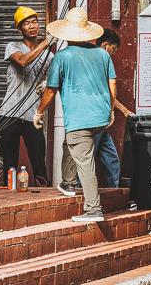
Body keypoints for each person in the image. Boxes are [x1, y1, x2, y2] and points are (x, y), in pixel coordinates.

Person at [34, 8, 115, 223]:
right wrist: (111, 110)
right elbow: (112, 83)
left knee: (85, 160)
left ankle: (93, 209)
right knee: (76, 147)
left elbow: (50, 90)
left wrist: (39, 112)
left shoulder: (62, 57)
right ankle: (68, 182)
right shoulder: (102, 54)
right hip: (101, 116)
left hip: (79, 118)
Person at [58, 27, 134, 194]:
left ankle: (114, 193)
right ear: (105, 45)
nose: (114, 53)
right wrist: (119, 110)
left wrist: (123, 110)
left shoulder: (92, 56)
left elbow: (107, 93)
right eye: (114, 49)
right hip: (92, 118)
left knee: (111, 159)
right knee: (86, 159)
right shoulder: (98, 59)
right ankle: (78, 190)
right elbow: (108, 89)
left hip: (99, 121)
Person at [0, 6, 52, 185]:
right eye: (26, 23)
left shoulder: (48, 56)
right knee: (9, 163)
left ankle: (43, 198)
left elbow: (57, 81)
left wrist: (48, 82)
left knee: (39, 163)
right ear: (19, 29)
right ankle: (10, 199)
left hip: (33, 116)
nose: (32, 26)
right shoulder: (13, 46)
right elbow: (22, 61)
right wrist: (46, 43)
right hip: (9, 114)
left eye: (34, 22)